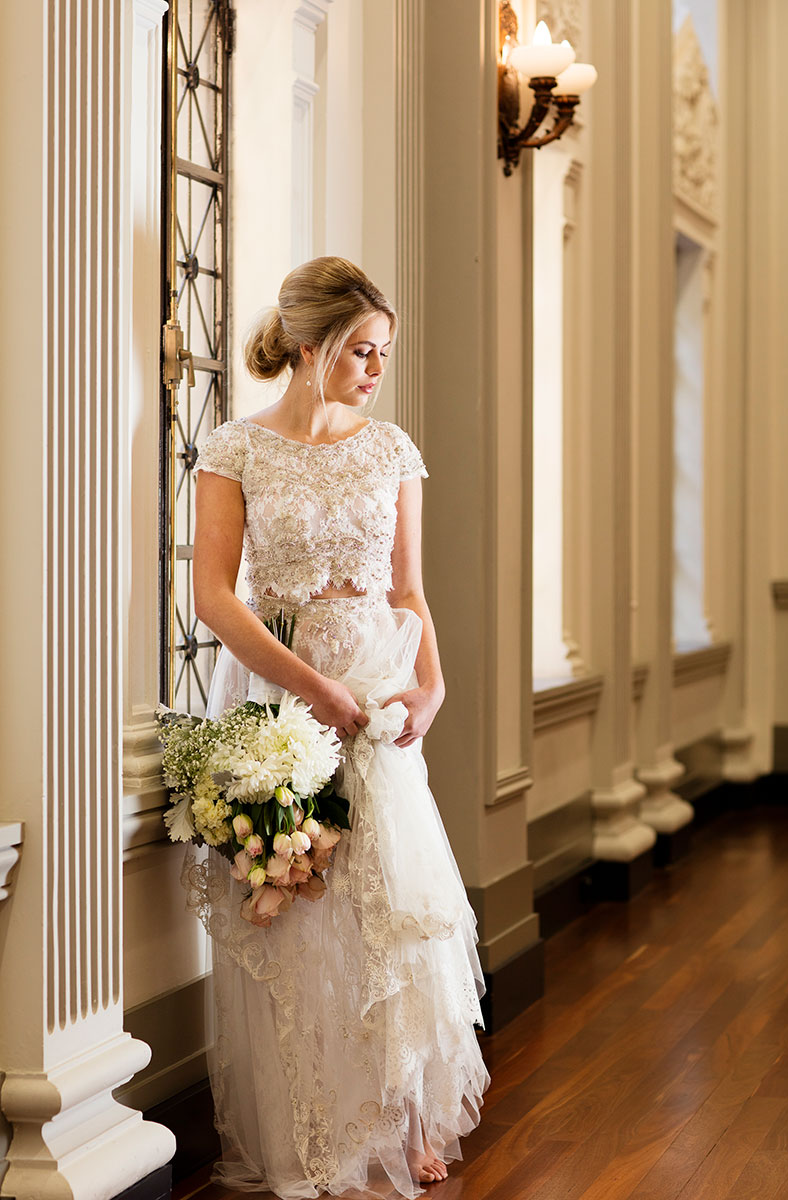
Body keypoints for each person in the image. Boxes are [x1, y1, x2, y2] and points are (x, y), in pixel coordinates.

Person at [183, 256, 490, 1199]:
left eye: (384, 352)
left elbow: (409, 590)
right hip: (282, 701)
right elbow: (210, 596)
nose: (376, 368)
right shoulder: (237, 450)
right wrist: (308, 685)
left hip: (381, 699)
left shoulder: (391, 449)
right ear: (309, 349)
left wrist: (432, 687)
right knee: (296, 910)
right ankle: (314, 1125)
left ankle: (400, 1120)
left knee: (385, 909)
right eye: (362, 351)